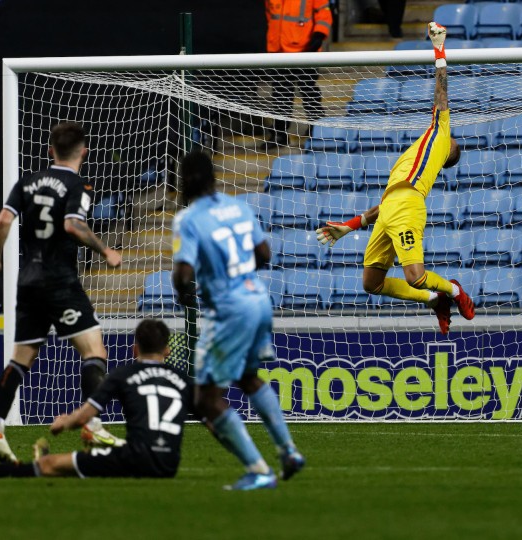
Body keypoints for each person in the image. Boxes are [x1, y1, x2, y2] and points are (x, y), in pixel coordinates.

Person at [0, 122, 125, 464]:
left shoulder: (28, 181)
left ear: (50, 150)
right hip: (59, 280)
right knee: (94, 351)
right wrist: (106, 251)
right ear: (84, 151)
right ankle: (92, 426)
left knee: (20, 360)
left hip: (28, 280)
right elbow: (72, 225)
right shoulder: (78, 184)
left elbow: (2, 220)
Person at [315, 22, 474, 335]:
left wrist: (439, 47)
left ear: (448, 155)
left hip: (408, 207)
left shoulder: (441, 136)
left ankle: (454, 291)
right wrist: (347, 227)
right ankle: (433, 299)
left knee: (414, 274)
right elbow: (382, 206)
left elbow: (441, 93)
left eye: (455, 143)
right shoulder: (415, 153)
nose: (455, 137)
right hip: (390, 207)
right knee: (371, 284)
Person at [171, 151, 304, 491]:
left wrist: (184, 294)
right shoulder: (239, 206)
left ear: (184, 180)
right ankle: (288, 451)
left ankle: (259, 470)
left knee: (204, 400)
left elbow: (184, 273)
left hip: (230, 309)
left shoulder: (188, 219)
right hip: (258, 299)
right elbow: (264, 254)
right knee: (248, 377)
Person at [0, 319, 191, 480]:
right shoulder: (184, 381)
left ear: (135, 349)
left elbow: (87, 413)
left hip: (134, 459)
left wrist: (64, 422)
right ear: (167, 350)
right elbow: (215, 419)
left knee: (49, 465)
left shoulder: (123, 375)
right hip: (168, 464)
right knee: (96, 464)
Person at [263, 0, 332, 147]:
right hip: (279, 50)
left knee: (309, 93)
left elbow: (324, 13)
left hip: (305, 49)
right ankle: (280, 134)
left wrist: (318, 36)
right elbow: (270, 15)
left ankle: (317, 129)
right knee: (280, 95)